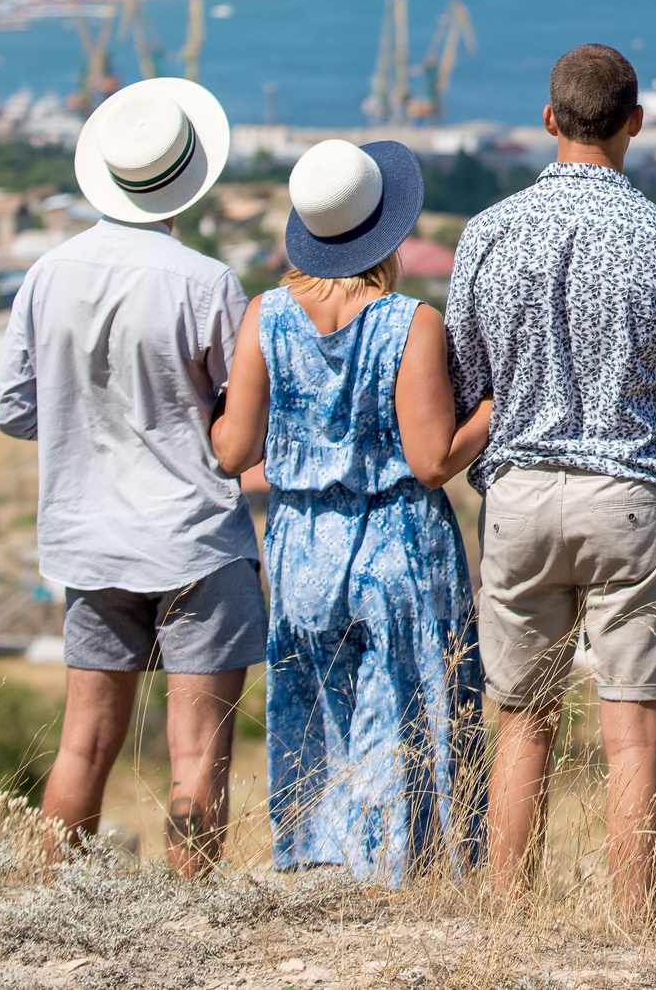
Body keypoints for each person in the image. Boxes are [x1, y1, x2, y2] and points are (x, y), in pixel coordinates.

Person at [445, 43, 656, 926]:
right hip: (631, 495)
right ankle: (636, 936)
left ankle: (508, 924)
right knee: (633, 733)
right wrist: (646, 460)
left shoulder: (488, 234)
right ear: (635, 121)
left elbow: (465, 382)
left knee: (521, 720)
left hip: (520, 495)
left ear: (549, 120)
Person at [0, 77, 261, 873]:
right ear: (189, 179)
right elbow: (239, 433)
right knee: (196, 753)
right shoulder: (206, 282)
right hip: (194, 541)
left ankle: (57, 899)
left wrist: (83, 424)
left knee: (82, 745)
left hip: (88, 539)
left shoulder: (47, 274)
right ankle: (191, 917)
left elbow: (13, 409)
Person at [211, 137, 487, 885]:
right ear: (387, 231)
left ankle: (320, 866)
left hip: (300, 549)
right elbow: (432, 460)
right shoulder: (410, 323)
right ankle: (402, 878)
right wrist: (495, 408)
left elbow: (234, 452)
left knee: (315, 719)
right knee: (409, 725)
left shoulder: (265, 315)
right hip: (398, 546)